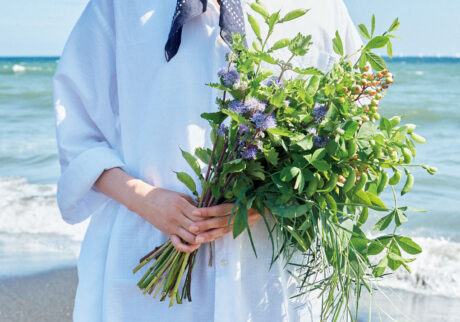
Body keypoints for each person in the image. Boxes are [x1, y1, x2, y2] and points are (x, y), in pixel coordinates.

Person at [53, 0, 362, 321]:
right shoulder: (121, 6)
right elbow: (78, 131)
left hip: (271, 269)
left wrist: (269, 199)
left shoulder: (321, 7)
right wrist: (144, 199)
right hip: (145, 256)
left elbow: (348, 132)